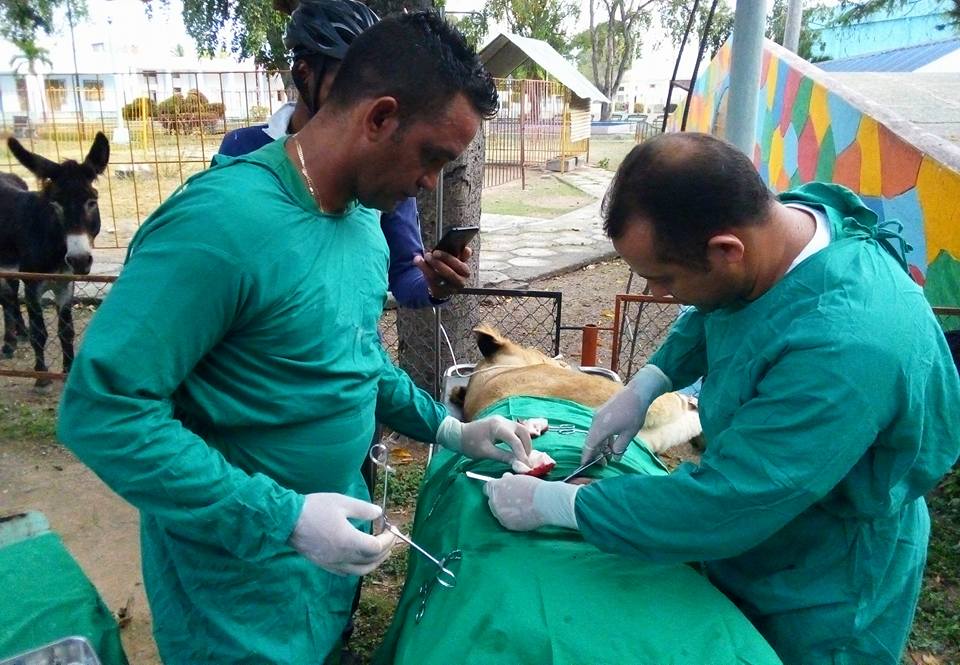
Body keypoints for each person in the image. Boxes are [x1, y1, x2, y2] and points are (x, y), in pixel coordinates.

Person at [57, 12, 534, 664]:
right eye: (432, 157)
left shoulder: (364, 224)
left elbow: (352, 355)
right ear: (379, 117)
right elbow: (102, 410)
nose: (430, 183)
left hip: (324, 576)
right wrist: (281, 517)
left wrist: (448, 429)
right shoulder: (221, 223)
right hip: (235, 598)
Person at [483, 132, 960, 664]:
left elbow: (729, 502)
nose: (658, 296)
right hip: (763, 533)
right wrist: (650, 382)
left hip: (827, 576)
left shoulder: (845, 346)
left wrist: (557, 503)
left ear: (727, 251)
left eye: (664, 279)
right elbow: (722, 309)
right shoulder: (782, 233)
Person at [219, 0, 469, 307]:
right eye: (345, 82)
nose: (360, 98)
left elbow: (405, 272)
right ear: (304, 74)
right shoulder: (242, 151)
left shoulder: (383, 169)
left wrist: (433, 285)